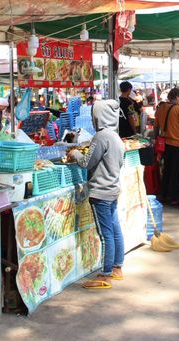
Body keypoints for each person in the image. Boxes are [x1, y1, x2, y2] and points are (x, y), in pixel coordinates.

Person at [68, 100, 125, 289]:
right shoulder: (116, 137)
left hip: (101, 192)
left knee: (106, 233)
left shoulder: (100, 137)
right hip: (113, 189)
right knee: (115, 229)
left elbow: (86, 162)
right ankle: (117, 267)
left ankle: (106, 275)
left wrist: (75, 153)